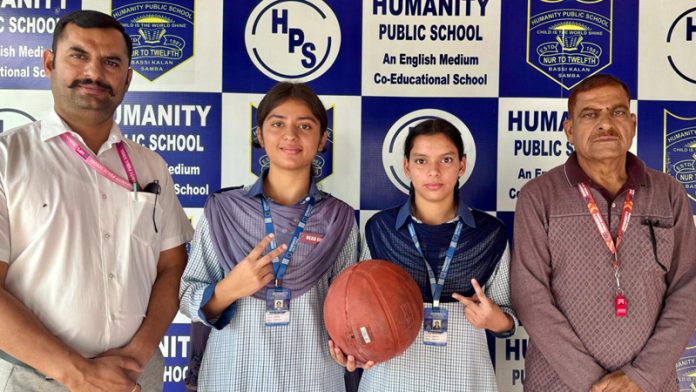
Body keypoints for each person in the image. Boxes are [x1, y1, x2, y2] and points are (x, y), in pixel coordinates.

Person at [0, 10, 193, 392]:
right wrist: (78, 373)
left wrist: (140, 351)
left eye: (111, 62)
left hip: (135, 375)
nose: (94, 72)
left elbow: (173, 266)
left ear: (127, 77)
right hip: (36, 378)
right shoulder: (8, 158)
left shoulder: (151, 164)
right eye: (78, 56)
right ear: (49, 63)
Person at [511, 73, 696, 391]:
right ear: (570, 130)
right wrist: (596, 383)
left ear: (633, 123)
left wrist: (641, 376)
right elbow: (530, 297)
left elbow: (688, 290)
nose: (606, 123)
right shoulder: (538, 195)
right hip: (559, 384)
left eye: (617, 112)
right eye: (590, 114)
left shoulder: (668, 192)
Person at [179, 82, 358, 391]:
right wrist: (226, 290)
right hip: (233, 377)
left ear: (322, 140)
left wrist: (358, 345)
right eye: (277, 124)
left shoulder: (338, 218)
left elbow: (353, 309)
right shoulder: (223, 209)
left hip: (313, 378)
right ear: (260, 135)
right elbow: (186, 297)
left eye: (305, 125)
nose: (291, 135)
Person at [330, 118, 517, 391]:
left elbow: (508, 320)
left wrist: (496, 320)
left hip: (465, 381)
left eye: (446, 160)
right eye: (421, 161)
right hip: (390, 382)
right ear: (406, 166)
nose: (433, 171)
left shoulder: (490, 233)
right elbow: (356, 308)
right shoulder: (380, 229)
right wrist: (352, 348)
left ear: (461, 165)